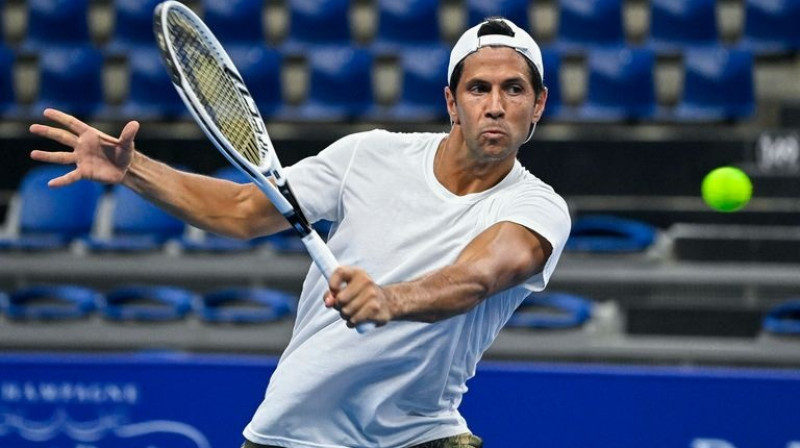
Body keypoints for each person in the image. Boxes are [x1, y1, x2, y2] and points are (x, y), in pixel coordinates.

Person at [29, 17, 570, 448]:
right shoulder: (368, 155)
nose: (495, 105)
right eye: (479, 88)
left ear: (537, 104)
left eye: (514, 89)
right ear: (452, 102)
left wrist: (386, 299)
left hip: (420, 434)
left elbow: (474, 278)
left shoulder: (538, 208)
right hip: (292, 432)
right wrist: (134, 170)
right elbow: (242, 210)